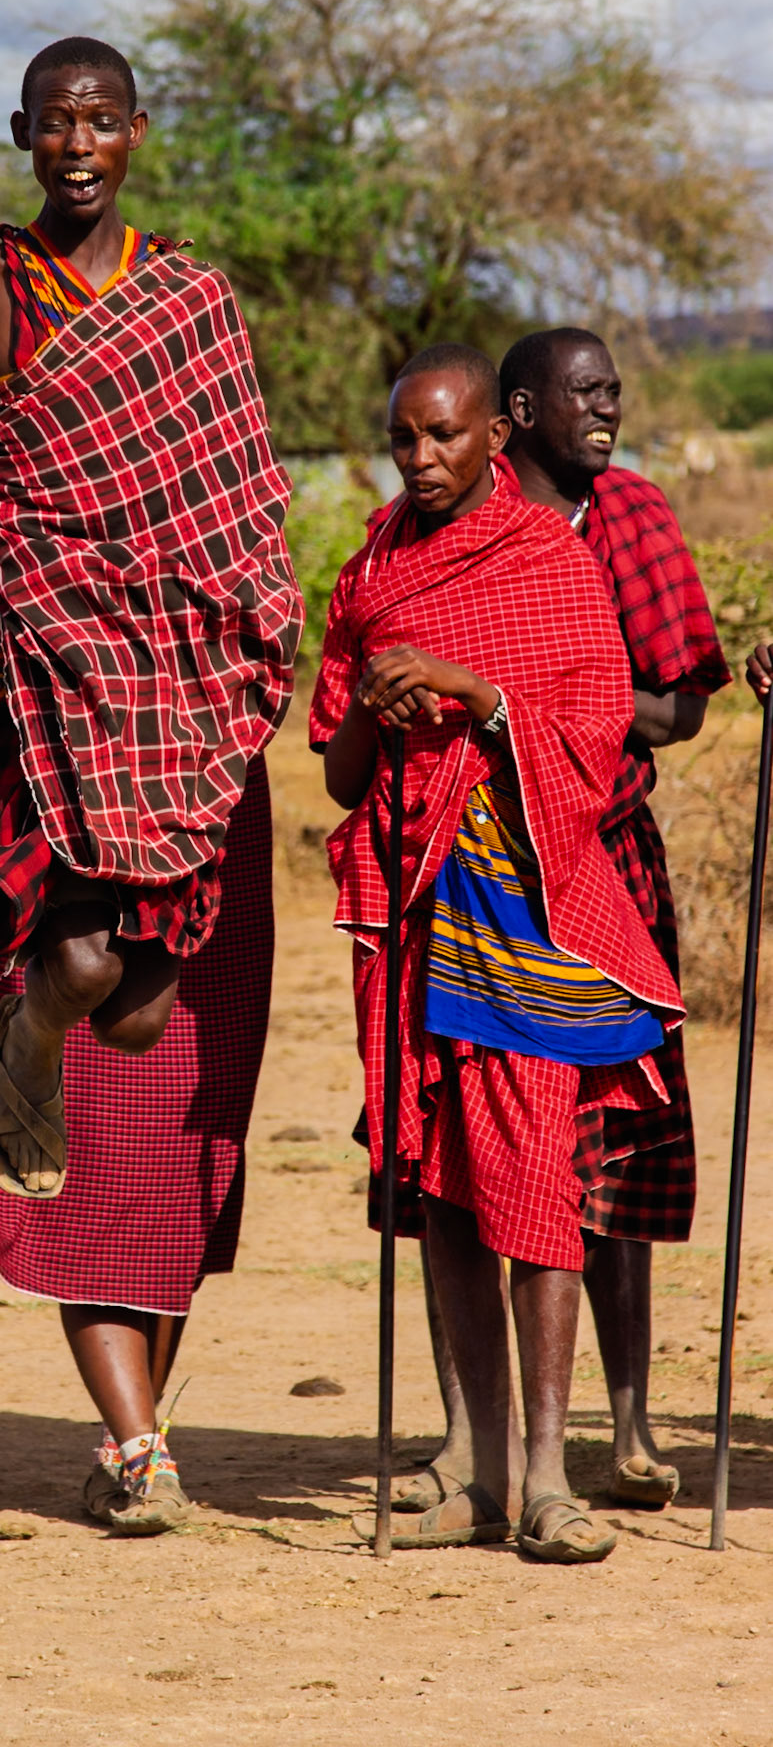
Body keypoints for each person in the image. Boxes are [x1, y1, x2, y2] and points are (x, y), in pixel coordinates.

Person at [0, 35, 301, 1532]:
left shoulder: (191, 301)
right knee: (74, 953)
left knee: (148, 998)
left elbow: (237, 490)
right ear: (18, 136)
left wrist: (256, 626)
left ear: (136, 135)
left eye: (101, 122)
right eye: (52, 123)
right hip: (27, 656)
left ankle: (69, 1037)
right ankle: (19, 1049)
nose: (77, 145)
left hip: (176, 687)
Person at [311, 345, 683, 1562]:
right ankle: (471, 1468)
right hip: (413, 909)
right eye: (403, 438)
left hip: (524, 909)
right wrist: (376, 702)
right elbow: (340, 773)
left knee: (537, 1185)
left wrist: (474, 693)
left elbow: (595, 742)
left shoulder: (553, 566)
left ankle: (547, 1473)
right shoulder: (372, 567)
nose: (421, 459)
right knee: (445, 1187)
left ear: (492, 438)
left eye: (443, 436)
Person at [394, 328, 729, 1519]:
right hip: (441, 870)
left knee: (608, 1146)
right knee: (445, 1154)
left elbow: (679, 702)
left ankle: (624, 1417)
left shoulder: (624, 522)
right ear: (517, 415)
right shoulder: (415, 545)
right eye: (584, 394)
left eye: (616, 391)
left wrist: (541, 701)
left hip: (596, 852)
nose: (610, 410)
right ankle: (466, 1436)